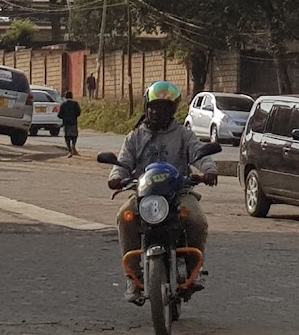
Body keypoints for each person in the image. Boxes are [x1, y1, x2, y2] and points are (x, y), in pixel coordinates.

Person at [107, 81, 217, 303]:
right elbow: (122, 163)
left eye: (164, 107)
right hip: (144, 195)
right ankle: (133, 277)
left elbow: (200, 154)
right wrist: (116, 178)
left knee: (197, 220)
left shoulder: (184, 134)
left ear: (173, 110)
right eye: (153, 107)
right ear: (146, 107)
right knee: (124, 217)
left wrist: (209, 170)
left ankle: (194, 271)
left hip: (178, 193)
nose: (157, 112)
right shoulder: (135, 137)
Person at [57, 90, 81, 157]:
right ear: (72, 96)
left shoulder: (63, 105)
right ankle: (74, 146)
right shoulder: (75, 104)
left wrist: (64, 117)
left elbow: (59, 115)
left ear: (65, 97)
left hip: (66, 123)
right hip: (73, 123)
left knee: (67, 137)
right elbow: (78, 113)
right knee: (74, 136)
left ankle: (69, 150)